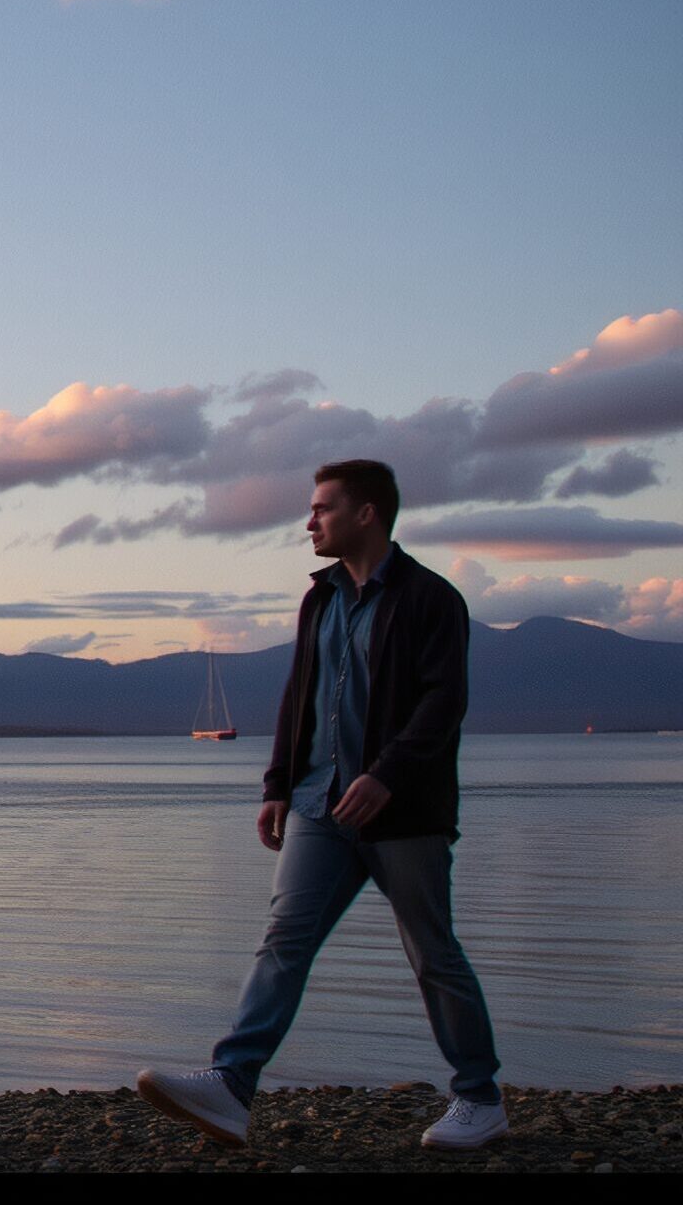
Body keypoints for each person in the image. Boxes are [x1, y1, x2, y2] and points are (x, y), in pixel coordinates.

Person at [137, 459, 506, 1151]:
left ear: (366, 513)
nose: (310, 522)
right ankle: (232, 1085)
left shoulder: (430, 598)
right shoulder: (320, 599)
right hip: (318, 804)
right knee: (284, 941)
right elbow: (300, 695)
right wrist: (278, 784)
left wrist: (387, 775)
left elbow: (444, 701)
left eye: (322, 509)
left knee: (432, 953)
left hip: (403, 812)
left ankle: (480, 1100)